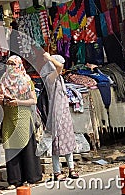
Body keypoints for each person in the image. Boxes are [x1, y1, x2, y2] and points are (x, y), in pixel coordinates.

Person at [0, 55, 42, 189]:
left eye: (13, 64)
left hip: (23, 116)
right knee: (11, 147)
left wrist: (18, 102)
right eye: (9, 64)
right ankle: (15, 180)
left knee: (27, 147)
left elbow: (33, 100)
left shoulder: (26, 80)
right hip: (8, 117)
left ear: (19, 64)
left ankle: (31, 177)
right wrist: (2, 99)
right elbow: (0, 99)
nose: (11, 67)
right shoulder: (3, 80)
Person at [40, 53, 79, 181]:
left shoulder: (59, 78)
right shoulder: (50, 77)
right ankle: (57, 171)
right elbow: (60, 67)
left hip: (64, 112)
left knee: (68, 139)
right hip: (55, 113)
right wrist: (50, 58)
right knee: (56, 142)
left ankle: (71, 168)